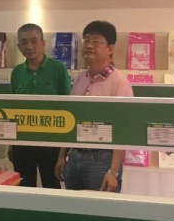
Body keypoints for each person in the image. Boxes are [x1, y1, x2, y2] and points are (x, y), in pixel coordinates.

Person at [55, 21, 133, 191]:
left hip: (102, 159)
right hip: (75, 156)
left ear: (110, 49)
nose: (89, 45)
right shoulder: (80, 79)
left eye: (96, 41)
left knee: (101, 207)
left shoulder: (119, 82)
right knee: (73, 206)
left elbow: (123, 130)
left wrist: (113, 171)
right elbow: (71, 117)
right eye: (86, 40)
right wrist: (62, 155)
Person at [10, 23, 71, 188]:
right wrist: (11, 143)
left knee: (52, 188)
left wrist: (63, 151)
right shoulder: (16, 72)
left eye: (34, 41)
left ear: (43, 43)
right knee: (24, 188)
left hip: (51, 141)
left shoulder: (58, 69)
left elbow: (68, 107)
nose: (29, 46)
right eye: (24, 42)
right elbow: (13, 109)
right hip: (22, 142)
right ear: (19, 46)